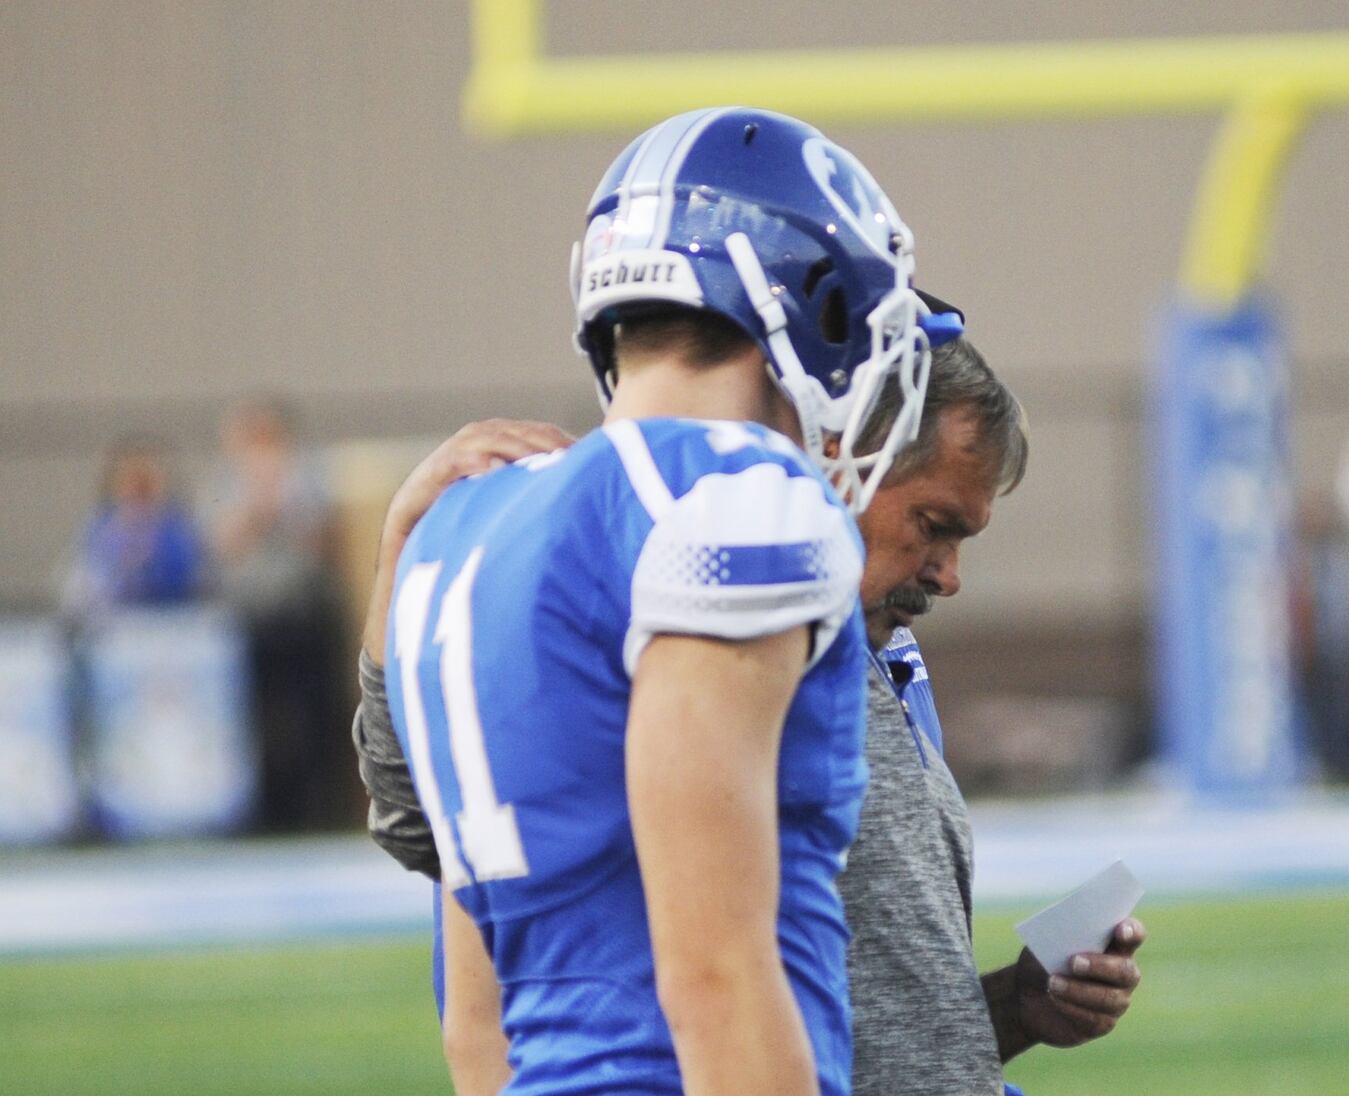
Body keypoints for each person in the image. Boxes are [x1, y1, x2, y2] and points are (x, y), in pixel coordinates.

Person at [355, 341, 1146, 1095]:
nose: (949, 576)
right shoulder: (689, 621)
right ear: (844, 459)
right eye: (933, 526)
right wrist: (403, 554)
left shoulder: (873, 653)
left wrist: (1013, 1007)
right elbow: (423, 833)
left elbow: (850, 1018)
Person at [372, 108, 936, 1095]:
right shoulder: (734, 496)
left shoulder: (460, 525)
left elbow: (475, 1022)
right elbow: (714, 975)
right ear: (810, 304)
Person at [207, 396, 348, 831]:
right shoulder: (225, 485)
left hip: (303, 618)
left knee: (313, 721)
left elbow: (326, 546)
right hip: (250, 622)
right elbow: (222, 546)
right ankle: (266, 813)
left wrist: (284, 503)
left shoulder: (310, 480)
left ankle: (321, 811)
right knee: (256, 721)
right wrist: (256, 502)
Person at [60, 434, 206, 614]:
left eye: (146, 485)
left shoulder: (181, 531)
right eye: (132, 484)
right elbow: (77, 588)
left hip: (171, 620)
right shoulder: (99, 529)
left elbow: (192, 581)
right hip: (113, 622)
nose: (138, 493)